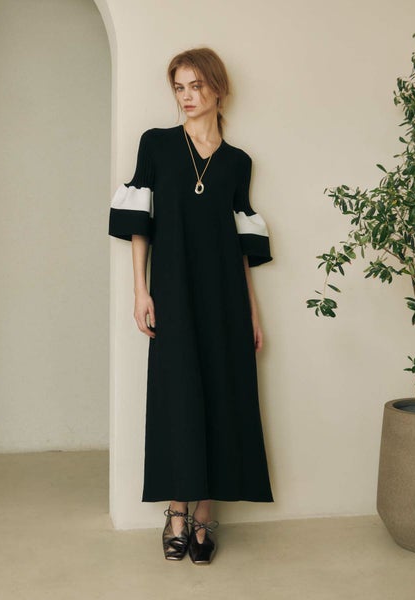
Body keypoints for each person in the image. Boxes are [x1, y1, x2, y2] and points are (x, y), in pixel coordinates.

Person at [108, 47, 274, 565]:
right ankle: (175, 512)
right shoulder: (156, 145)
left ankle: (203, 516)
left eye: (196, 86)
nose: (187, 96)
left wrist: (252, 313)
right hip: (173, 293)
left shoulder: (238, 162)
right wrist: (141, 291)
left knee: (222, 395)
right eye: (179, 87)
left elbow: (241, 248)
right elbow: (139, 224)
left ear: (217, 89)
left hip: (225, 299)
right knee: (177, 395)